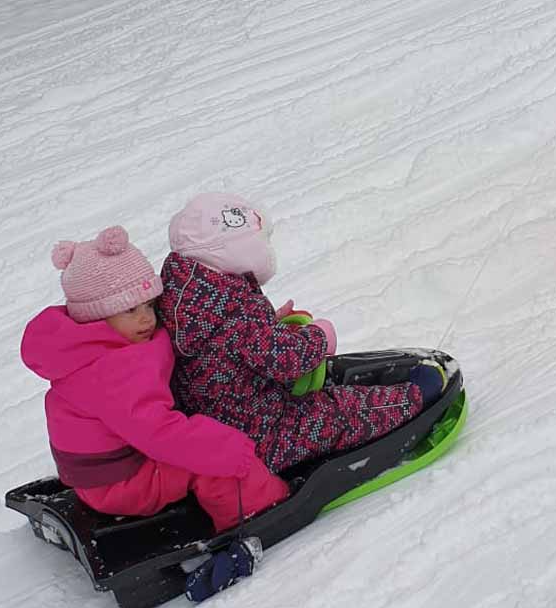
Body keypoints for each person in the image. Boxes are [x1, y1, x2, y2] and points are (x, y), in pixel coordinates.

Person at [20, 225, 289, 533]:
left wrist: (256, 331)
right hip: (120, 484)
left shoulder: (100, 346)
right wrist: (230, 448)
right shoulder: (112, 370)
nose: (146, 318)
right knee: (216, 463)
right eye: (130, 309)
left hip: (110, 469)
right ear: (96, 315)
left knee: (205, 440)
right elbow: (160, 432)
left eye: (149, 305)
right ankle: (260, 512)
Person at [157, 193, 446, 472]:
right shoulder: (235, 307)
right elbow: (286, 361)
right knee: (333, 415)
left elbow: (227, 342)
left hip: (218, 421)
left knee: (318, 396)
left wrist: (268, 324)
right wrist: (320, 337)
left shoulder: (186, 289)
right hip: (261, 434)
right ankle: (412, 398)